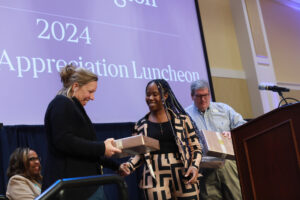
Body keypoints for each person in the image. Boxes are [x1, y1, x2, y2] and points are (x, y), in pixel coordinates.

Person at [42, 64, 126, 197]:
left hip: (85, 188)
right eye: (90, 91)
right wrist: (101, 147)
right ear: (75, 86)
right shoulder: (61, 103)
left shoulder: (72, 106)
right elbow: (64, 141)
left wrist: (116, 165)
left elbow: (86, 149)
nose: (92, 97)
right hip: (74, 190)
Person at [120, 79, 202, 200]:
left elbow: (196, 147)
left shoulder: (182, 120)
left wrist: (194, 167)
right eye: (148, 94)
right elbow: (139, 154)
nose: (150, 98)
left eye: (155, 94)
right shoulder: (140, 125)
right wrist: (129, 165)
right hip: (154, 176)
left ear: (165, 95)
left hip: (184, 174)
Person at [185, 79, 246, 200]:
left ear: (210, 94)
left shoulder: (224, 109)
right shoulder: (185, 116)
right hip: (204, 167)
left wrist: (232, 133)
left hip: (227, 164)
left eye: (206, 95)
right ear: (192, 96)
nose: (203, 99)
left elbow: (243, 126)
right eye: (199, 96)